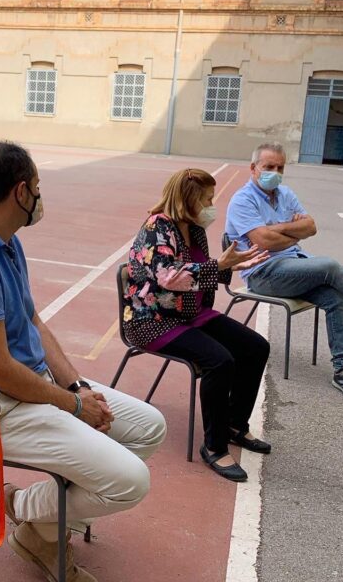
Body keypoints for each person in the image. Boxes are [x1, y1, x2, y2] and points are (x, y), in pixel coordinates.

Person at [0, 141, 166, 582]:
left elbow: (33, 320)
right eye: (37, 186)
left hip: (28, 388)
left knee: (149, 427)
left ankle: (40, 528)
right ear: (21, 192)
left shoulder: (4, 242)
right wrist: (74, 406)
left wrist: (77, 388)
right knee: (132, 481)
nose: (39, 195)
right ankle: (22, 506)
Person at [123, 168, 271, 482]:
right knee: (219, 361)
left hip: (189, 313)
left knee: (256, 347)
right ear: (187, 199)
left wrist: (230, 266)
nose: (210, 206)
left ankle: (233, 425)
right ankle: (214, 447)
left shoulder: (194, 229)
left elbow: (199, 271)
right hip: (153, 320)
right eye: (206, 199)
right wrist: (220, 265)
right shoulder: (157, 227)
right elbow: (168, 277)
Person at [226, 143, 343, 403]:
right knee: (329, 267)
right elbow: (263, 241)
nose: (275, 173)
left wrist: (278, 229)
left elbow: (311, 227)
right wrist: (292, 231)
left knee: (337, 297)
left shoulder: (285, 193)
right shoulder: (243, 200)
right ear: (253, 168)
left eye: (280, 167)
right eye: (269, 167)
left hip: (295, 266)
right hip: (264, 273)